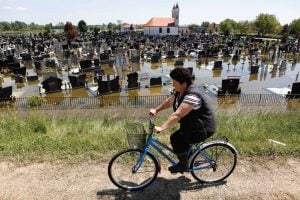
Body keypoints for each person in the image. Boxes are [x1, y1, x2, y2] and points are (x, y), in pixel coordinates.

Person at [150, 67, 216, 173]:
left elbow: (178, 114)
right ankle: (188, 157)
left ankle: (183, 165)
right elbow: (169, 101)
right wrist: (156, 110)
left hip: (202, 128)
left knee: (176, 139)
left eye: (175, 82)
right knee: (180, 138)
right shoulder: (180, 91)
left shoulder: (192, 96)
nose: (173, 85)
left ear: (184, 83)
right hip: (193, 125)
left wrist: (161, 128)